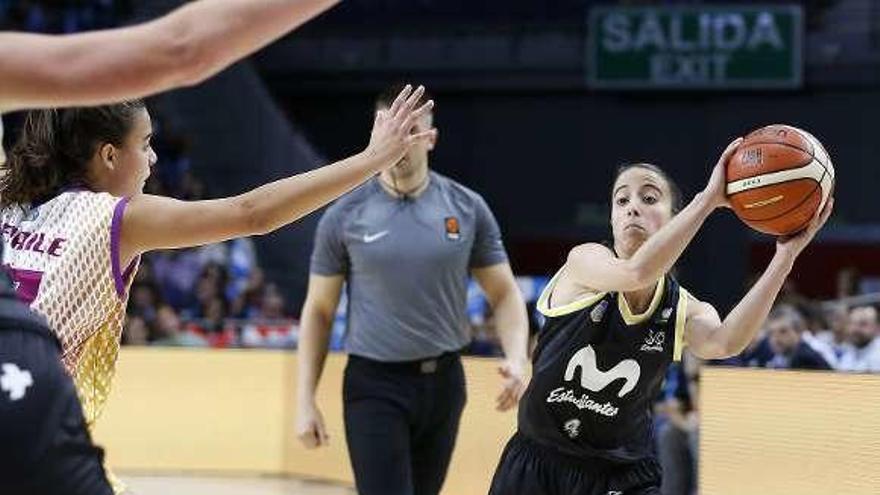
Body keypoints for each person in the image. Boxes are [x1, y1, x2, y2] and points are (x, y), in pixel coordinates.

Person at [0, 85, 433, 493]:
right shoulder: (117, 217)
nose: (153, 158)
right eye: (146, 143)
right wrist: (371, 159)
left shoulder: (10, 201)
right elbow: (252, 214)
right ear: (109, 155)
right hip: (32, 431)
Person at [487, 140, 834, 495]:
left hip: (621, 473)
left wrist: (785, 257)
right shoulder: (584, 262)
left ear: (673, 220)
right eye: (621, 201)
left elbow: (727, 342)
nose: (632, 208)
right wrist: (707, 200)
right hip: (539, 463)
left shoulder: (684, 308)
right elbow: (637, 273)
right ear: (611, 217)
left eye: (649, 198)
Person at [295, 85, 529, 495]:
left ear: (431, 138)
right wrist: (304, 399)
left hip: (444, 383)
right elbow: (318, 311)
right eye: (389, 128)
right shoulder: (344, 215)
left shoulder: (467, 208)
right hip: (374, 384)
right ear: (374, 134)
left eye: (411, 129)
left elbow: (505, 294)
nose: (398, 140)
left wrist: (516, 357)